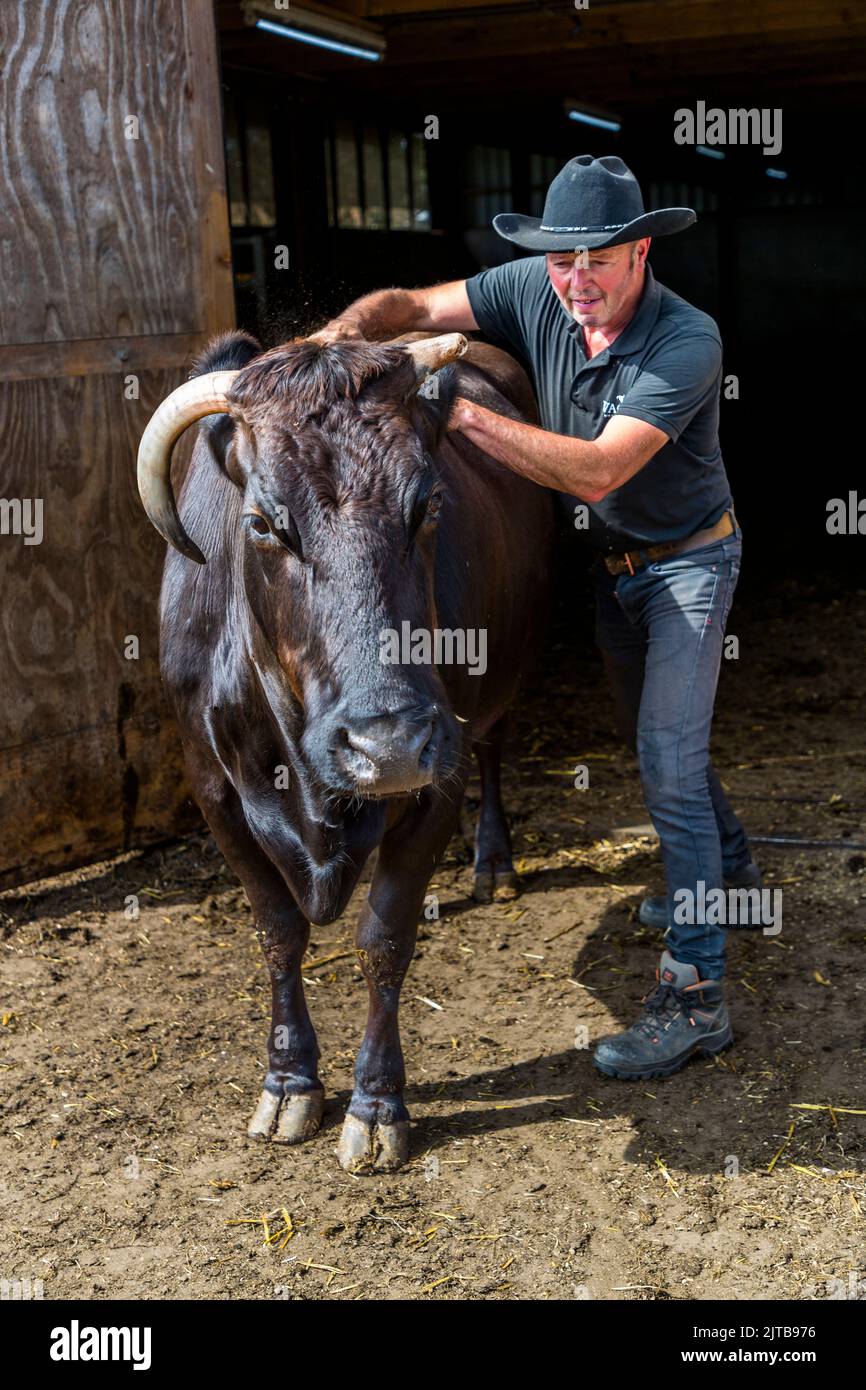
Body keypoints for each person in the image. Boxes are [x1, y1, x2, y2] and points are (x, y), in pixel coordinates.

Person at [310, 153, 761, 1080]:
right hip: (614, 568)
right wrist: (337, 344)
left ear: (642, 251)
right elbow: (411, 305)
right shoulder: (535, 287)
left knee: (668, 766)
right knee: (658, 741)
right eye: (563, 261)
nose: (577, 280)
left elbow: (598, 470)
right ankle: (731, 876)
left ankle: (697, 997)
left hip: (689, 563)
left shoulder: (688, 340)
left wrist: (455, 414)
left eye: (600, 258)